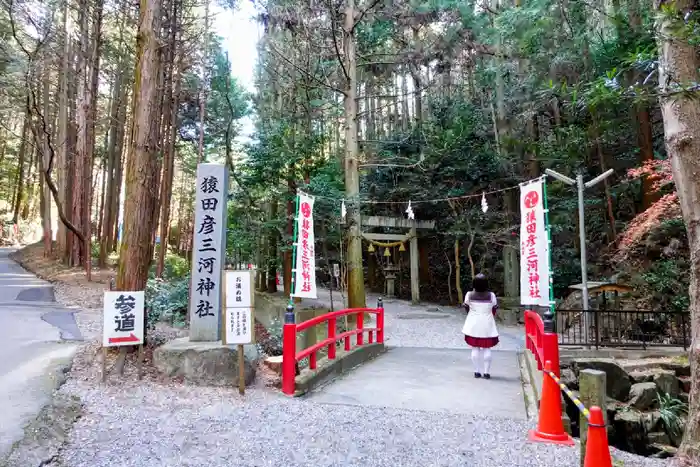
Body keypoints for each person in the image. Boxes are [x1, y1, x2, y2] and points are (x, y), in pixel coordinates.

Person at [462, 273, 499, 379]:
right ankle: (486, 372)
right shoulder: (491, 295)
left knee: (475, 348)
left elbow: (466, 307)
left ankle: (477, 371)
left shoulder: (469, 294)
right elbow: (494, 309)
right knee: (487, 348)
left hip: (473, 323)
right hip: (487, 323)